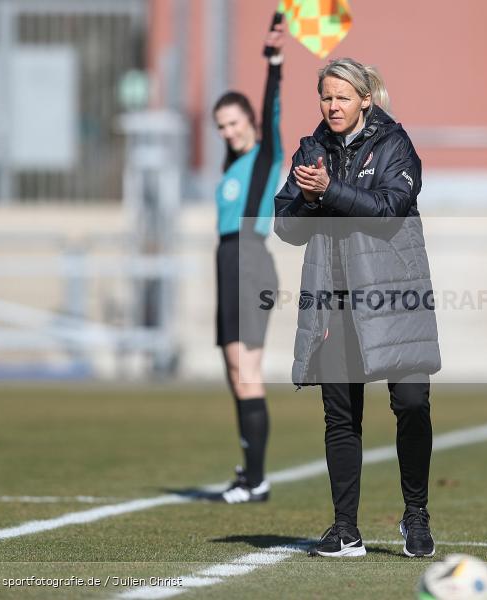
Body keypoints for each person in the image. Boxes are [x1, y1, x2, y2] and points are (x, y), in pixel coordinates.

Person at [274, 58, 441, 557]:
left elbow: (390, 212)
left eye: (343, 97)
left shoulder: (395, 144)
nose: (333, 106)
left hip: (394, 294)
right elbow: (286, 226)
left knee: (411, 404)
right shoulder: (311, 148)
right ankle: (345, 529)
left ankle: (415, 517)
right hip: (334, 297)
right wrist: (306, 200)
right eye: (326, 97)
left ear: (365, 100)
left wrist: (329, 191)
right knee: (340, 415)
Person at [211, 21, 284, 503]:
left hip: (250, 258)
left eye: (234, 122)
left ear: (250, 122)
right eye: (221, 126)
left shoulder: (264, 156)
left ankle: (257, 479)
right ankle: (250, 474)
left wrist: (273, 64)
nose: (229, 131)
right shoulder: (230, 166)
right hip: (228, 259)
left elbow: (273, 109)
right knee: (234, 373)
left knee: (247, 374)